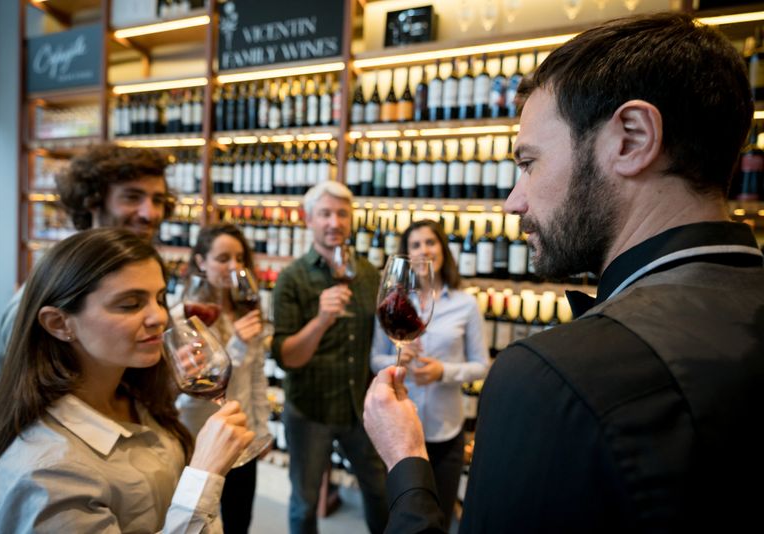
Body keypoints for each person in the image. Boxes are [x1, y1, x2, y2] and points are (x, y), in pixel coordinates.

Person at [363, 13, 764, 533]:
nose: (513, 202)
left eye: (528, 163)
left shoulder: (553, 378)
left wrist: (406, 465)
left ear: (632, 139)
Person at [0, 228, 254, 532]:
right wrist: (204, 474)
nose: (159, 317)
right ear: (59, 323)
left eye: (159, 298)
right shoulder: (46, 472)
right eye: (130, 304)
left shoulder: (133, 398)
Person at [0, 144, 173, 376]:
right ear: (92, 201)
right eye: (132, 197)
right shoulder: (53, 289)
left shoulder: (141, 277)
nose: (150, 214)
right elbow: (21, 397)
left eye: (158, 200)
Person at [271, 181, 388, 534]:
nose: (334, 222)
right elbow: (286, 358)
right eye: (325, 214)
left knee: (381, 492)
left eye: (341, 213)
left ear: (351, 220)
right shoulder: (291, 279)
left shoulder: (367, 273)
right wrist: (321, 320)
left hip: (359, 409)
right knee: (304, 503)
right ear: (308, 220)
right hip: (311, 411)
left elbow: (380, 339)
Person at [370, 219, 488, 530]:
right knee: (400, 515)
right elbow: (375, 359)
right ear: (407, 253)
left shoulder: (466, 304)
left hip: (445, 431)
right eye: (416, 245)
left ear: (442, 249)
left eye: (430, 243)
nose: (424, 250)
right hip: (398, 429)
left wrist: (442, 372)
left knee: (440, 515)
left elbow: (481, 365)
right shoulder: (393, 303)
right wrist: (397, 359)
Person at [171, 224, 268, 534]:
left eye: (239, 258)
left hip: (241, 435)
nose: (234, 267)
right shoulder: (180, 316)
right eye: (223, 258)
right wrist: (236, 343)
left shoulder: (245, 309)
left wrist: (262, 429)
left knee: (239, 522)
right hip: (199, 439)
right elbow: (190, 389)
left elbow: (255, 376)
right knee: (202, 522)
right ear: (200, 261)